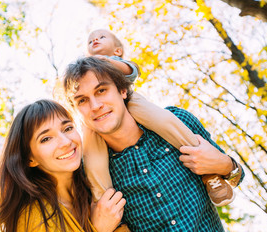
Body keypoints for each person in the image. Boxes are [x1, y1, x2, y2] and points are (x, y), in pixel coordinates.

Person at [62, 57, 244, 231]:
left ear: (122, 91)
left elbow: (237, 178)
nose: (95, 106)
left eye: (101, 90)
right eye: (82, 100)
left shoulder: (179, 123)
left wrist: (225, 164)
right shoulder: (87, 175)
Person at [83, 29, 235, 207]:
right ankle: (106, 205)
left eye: (101, 37)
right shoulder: (84, 69)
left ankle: (207, 171)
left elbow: (132, 71)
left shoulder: (114, 61)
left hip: (132, 102)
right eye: (90, 40)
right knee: (93, 160)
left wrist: (108, 62)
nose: (95, 40)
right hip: (93, 125)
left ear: (117, 51)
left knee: (164, 121)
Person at [0, 99, 126, 232]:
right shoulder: (33, 218)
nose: (65, 142)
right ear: (30, 159)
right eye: (46, 139)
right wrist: (100, 229)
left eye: (67, 128)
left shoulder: (92, 183)